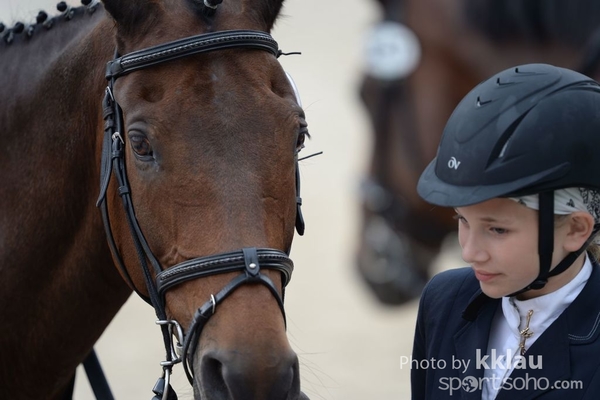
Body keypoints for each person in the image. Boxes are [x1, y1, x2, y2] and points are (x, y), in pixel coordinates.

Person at [411, 63, 600, 399]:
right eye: (462, 220)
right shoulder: (442, 302)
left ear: (575, 229)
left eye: (497, 229)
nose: (469, 252)